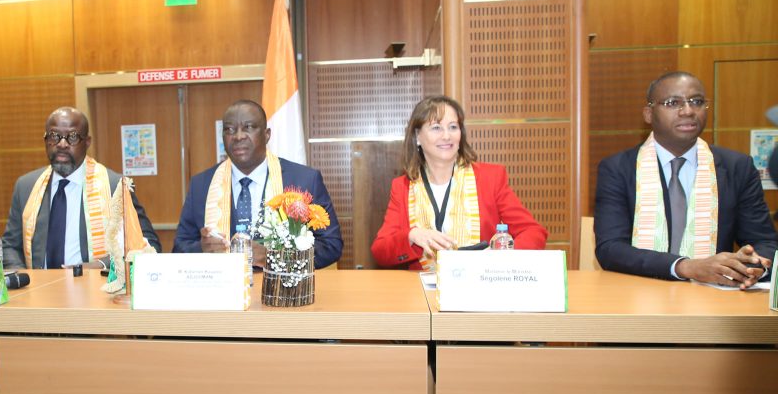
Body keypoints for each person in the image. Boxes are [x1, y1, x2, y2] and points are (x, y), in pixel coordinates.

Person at [594, 71, 777, 287]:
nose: (688, 111)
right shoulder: (617, 169)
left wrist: (752, 266)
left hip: (714, 297)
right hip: (637, 293)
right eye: (673, 103)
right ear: (648, 114)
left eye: (696, 102)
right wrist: (685, 267)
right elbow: (610, 249)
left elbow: (764, 242)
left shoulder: (736, 167)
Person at [371, 96, 547, 270]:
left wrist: (502, 257)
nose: (446, 136)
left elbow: (533, 232)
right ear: (417, 136)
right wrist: (411, 235)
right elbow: (380, 251)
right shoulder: (403, 186)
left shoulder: (490, 178)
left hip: (480, 281)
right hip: (422, 286)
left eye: (453, 127)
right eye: (436, 128)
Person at [173, 99, 342, 268]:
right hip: (222, 283)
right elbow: (179, 248)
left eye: (248, 127)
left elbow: (331, 245)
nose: (238, 136)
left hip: (280, 284)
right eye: (229, 129)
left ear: (267, 135)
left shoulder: (304, 180)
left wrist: (274, 258)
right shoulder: (201, 184)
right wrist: (201, 249)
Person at [3, 106, 160, 269]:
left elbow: (147, 244)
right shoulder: (26, 186)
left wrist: (100, 265)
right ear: (45, 140)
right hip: (38, 284)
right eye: (54, 136)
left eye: (72, 137)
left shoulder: (115, 186)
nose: (62, 144)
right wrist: (26, 277)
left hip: (94, 283)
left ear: (87, 142)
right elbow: (10, 246)